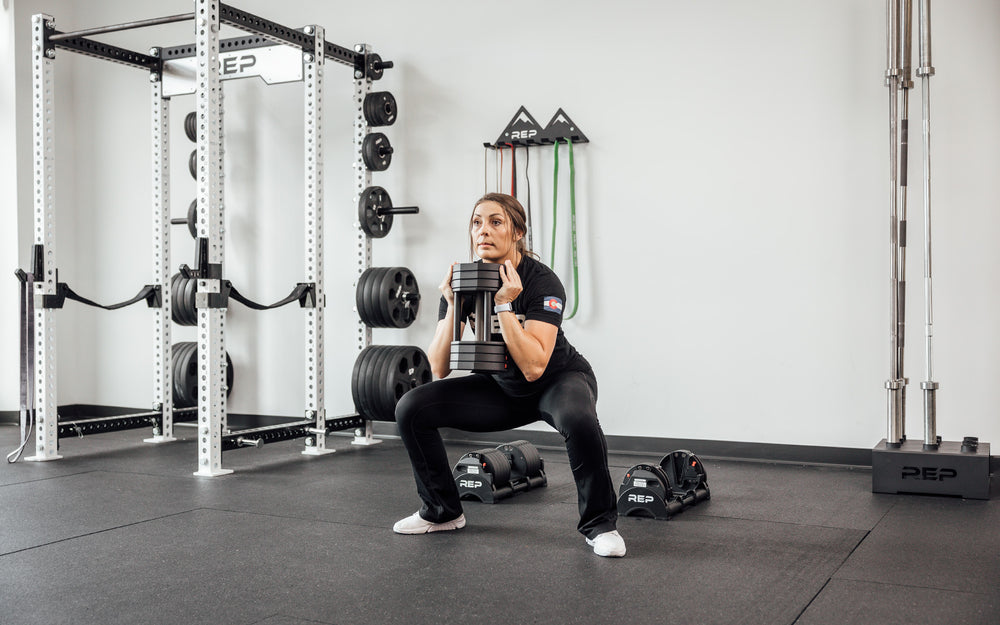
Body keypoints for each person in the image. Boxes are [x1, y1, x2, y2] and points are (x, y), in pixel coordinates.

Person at [392, 193, 625, 557]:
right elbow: (438, 368)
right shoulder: (463, 282)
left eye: (496, 222)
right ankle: (441, 512)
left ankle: (600, 525)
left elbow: (534, 367)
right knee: (411, 407)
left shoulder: (541, 282)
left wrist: (503, 304)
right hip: (500, 386)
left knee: (579, 419)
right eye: (476, 222)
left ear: (517, 232)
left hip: (557, 381)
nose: (483, 230)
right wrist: (453, 306)